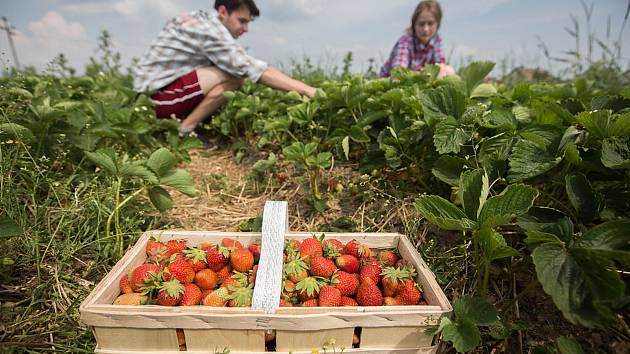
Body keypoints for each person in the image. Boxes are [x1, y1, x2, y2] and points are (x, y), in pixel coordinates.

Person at [133, 0, 317, 138]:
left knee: (225, 68)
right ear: (223, 11)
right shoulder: (211, 30)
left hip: (148, 96)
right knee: (233, 76)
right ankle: (185, 130)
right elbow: (251, 68)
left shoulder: (199, 18)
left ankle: (185, 125)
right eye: (242, 21)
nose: (246, 29)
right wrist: (307, 90)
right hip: (155, 102)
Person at [378, 0, 455, 79]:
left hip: (417, 79)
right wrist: (423, 74)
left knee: (448, 70)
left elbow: (439, 64)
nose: (426, 29)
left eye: (430, 23)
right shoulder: (405, 42)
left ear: (438, 24)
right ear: (414, 24)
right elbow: (398, 72)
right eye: (421, 24)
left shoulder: (436, 40)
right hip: (391, 81)